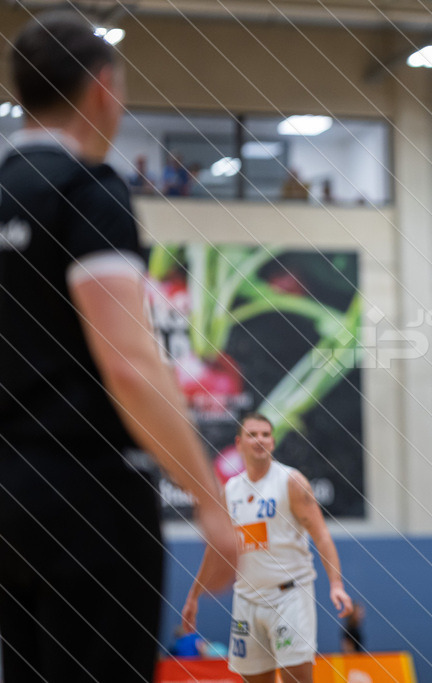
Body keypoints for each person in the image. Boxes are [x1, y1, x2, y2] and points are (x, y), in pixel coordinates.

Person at [0, 13, 237, 682]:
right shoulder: (88, 190)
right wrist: (209, 501)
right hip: (90, 497)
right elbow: (129, 363)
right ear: (104, 87)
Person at [181, 413, 353, 683]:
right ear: (239, 443)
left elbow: (321, 535)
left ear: (272, 442)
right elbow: (216, 548)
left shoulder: (291, 481)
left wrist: (336, 583)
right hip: (247, 599)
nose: (260, 439)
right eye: (252, 434)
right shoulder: (231, 490)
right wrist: (194, 595)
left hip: (289, 596)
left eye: (265, 434)